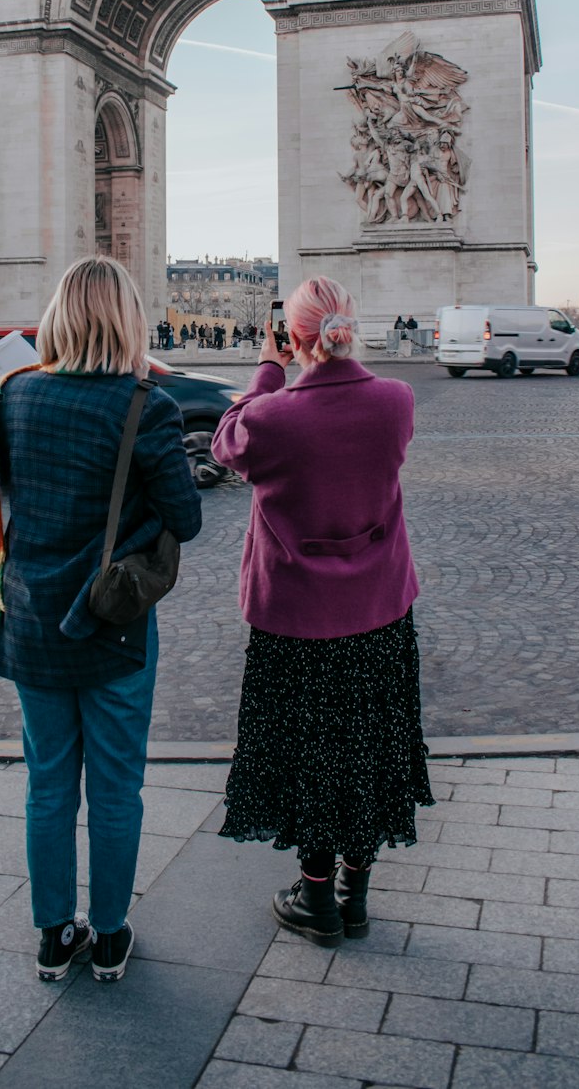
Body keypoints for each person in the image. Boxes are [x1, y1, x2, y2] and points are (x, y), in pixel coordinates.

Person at [0, 257, 202, 984]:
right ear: (129, 320)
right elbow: (186, 521)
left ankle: (50, 935)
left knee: (47, 784)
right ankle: (107, 936)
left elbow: (0, 495)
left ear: (59, 316)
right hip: (112, 623)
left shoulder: (13, 395)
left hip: (31, 620)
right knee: (115, 788)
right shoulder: (146, 406)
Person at [212, 275, 433, 946]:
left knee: (309, 752)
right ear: (351, 325)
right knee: (367, 748)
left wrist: (269, 367)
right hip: (379, 608)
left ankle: (314, 902)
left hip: (295, 617)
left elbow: (228, 439)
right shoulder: (396, 402)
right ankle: (353, 895)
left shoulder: (272, 419)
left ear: (293, 333)